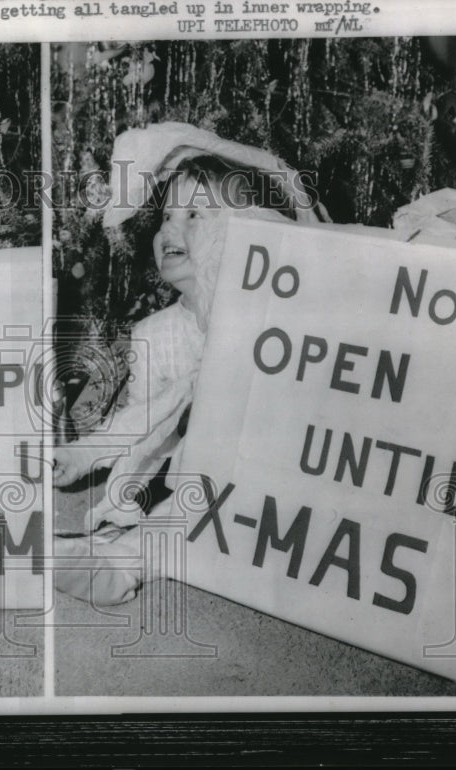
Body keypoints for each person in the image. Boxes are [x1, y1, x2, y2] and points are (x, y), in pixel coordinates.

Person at [53, 148, 297, 606]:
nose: (169, 228)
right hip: (203, 477)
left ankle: (123, 554)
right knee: (188, 506)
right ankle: (113, 558)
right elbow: (146, 421)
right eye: (167, 215)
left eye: (194, 215)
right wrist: (84, 453)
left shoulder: (270, 328)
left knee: (210, 507)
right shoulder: (156, 334)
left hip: (275, 474)